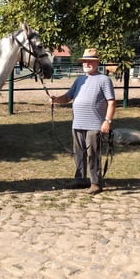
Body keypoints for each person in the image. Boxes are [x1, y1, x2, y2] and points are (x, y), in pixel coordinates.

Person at [50, 48, 116, 194]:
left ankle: (95, 182)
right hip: (78, 123)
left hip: (95, 124)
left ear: (97, 62)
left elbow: (111, 102)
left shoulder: (104, 80)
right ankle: (80, 179)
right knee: (78, 152)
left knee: (93, 153)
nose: (87, 63)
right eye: (85, 61)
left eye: (90, 61)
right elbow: (68, 97)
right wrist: (56, 100)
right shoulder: (79, 80)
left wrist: (107, 121)